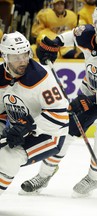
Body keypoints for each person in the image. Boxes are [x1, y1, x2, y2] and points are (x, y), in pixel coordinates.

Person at [20, 5, 97, 197]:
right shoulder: (86, 33)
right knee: (64, 131)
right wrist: (55, 42)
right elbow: (71, 37)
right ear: (96, 24)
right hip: (92, 91)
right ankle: (44, 175)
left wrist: (88, 101)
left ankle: (93, 178)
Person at [0, 31, 69, 195]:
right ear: (5, 57)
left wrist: (26, 127)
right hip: (20, 130)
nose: (22, 61)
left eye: (25, 55)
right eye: (16, 57)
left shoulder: (40, 77)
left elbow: (60, 116)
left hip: (50, 135)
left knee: (8, 158)